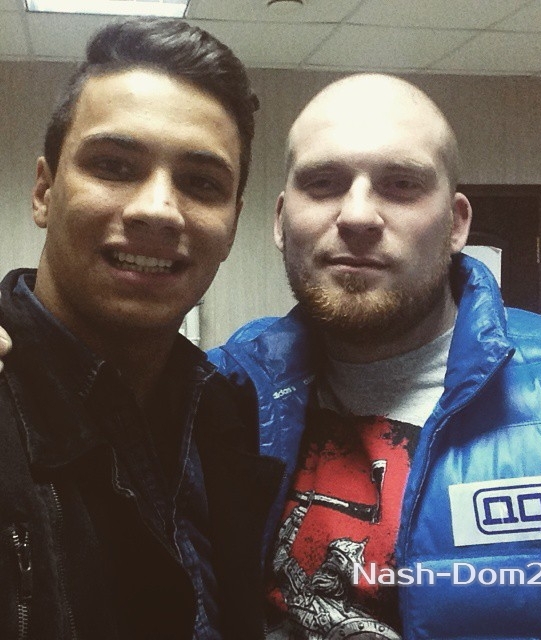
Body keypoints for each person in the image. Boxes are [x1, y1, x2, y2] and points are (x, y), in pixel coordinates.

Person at [205, 74, 541, 638]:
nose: (357, 216)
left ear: (457, 224)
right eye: (323, 183)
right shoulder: (220, 392)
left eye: (401, 185)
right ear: (281, 220)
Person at [0, 17, 279, 640]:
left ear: (232, 224)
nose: (157, 209)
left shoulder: (225, 411)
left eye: (201, 183)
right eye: (114, 166)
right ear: (44, 191)